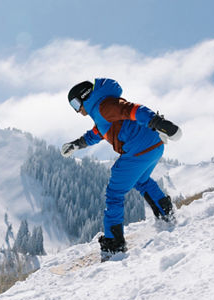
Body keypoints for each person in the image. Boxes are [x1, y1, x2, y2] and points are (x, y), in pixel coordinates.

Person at [61, 78, 182, 259]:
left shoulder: (104, 106)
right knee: (141, 180)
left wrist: (160, 123)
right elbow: (96, 134)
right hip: (153, 146)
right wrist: (76, 144)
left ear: (84, 96)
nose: (77, 110)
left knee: (114, 193)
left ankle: (114, 244)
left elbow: (133, 110)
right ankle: (166, 214)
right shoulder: (101, 112)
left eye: (75, 104)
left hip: (140, 148)